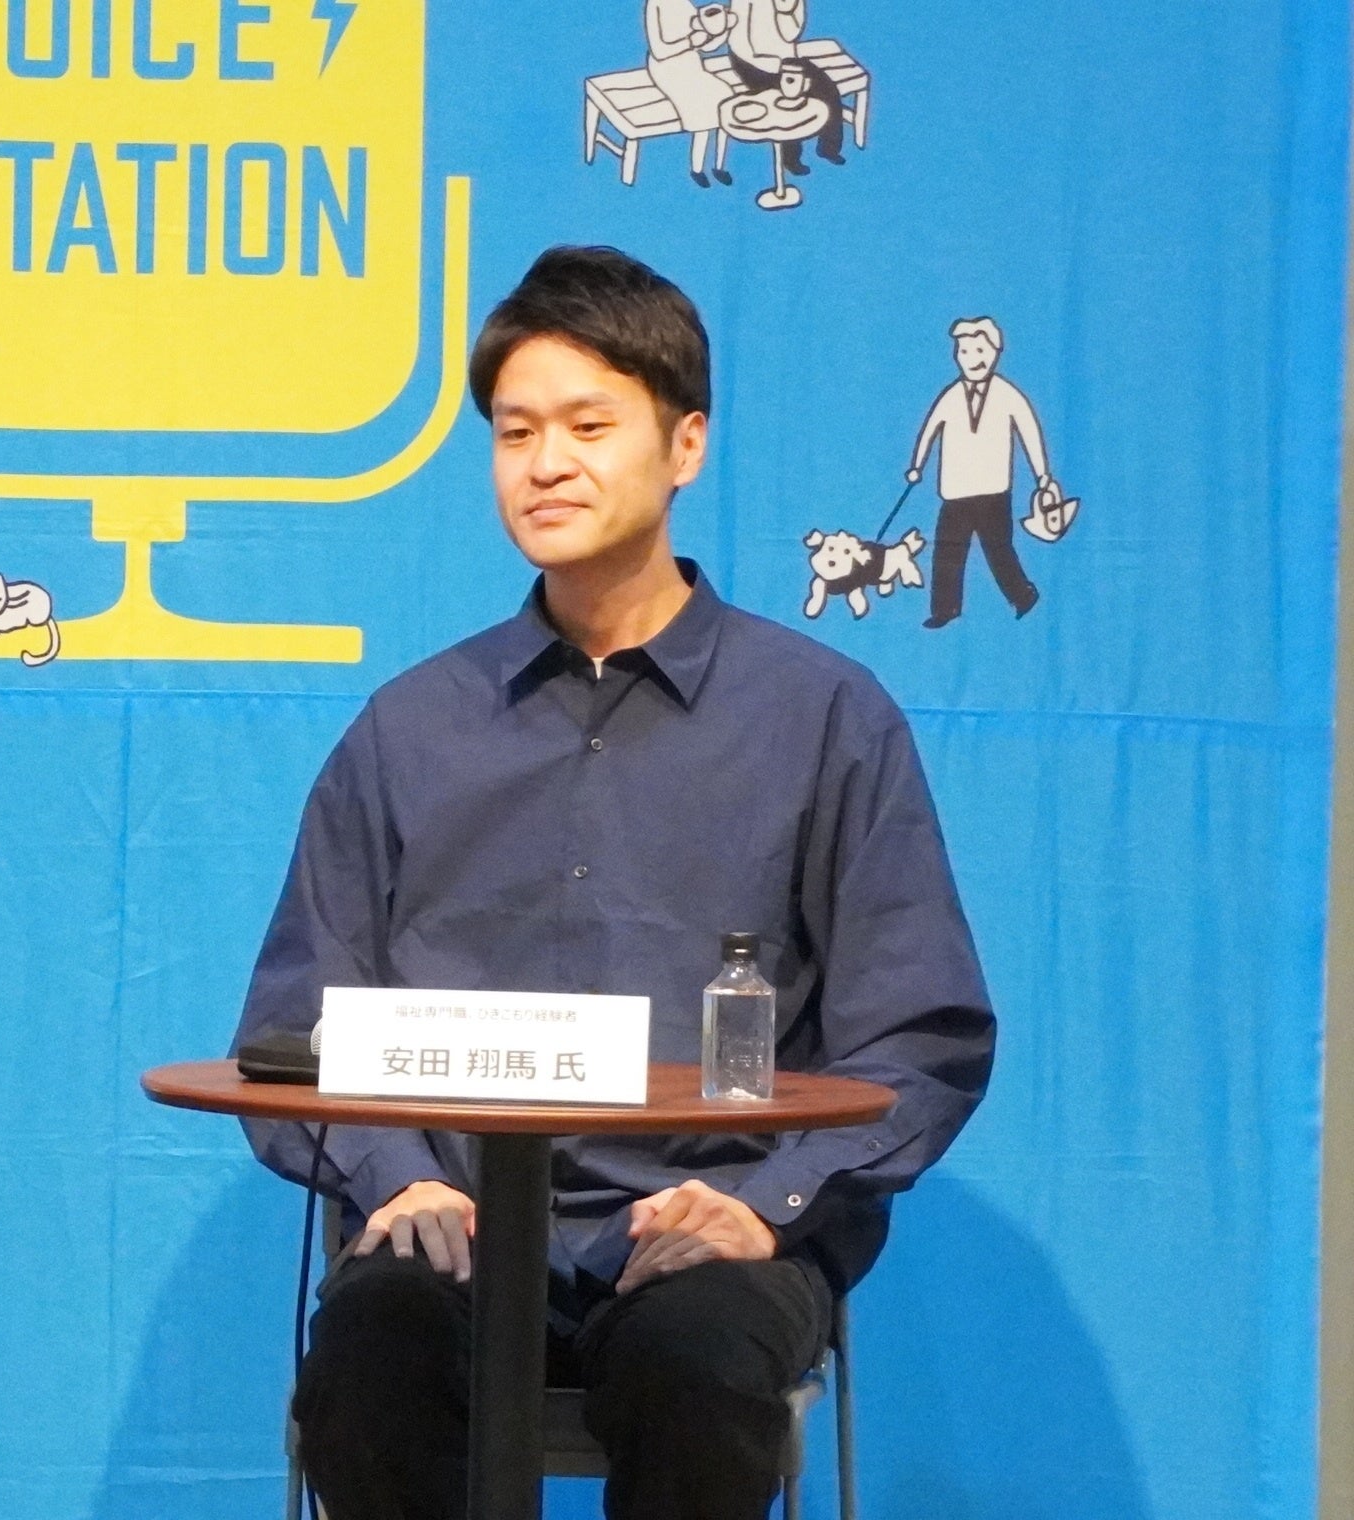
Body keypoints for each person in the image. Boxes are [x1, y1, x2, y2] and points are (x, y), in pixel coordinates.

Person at [234, 247, 994, 1520]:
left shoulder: (821, 718)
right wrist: (394, 1172)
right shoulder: (407, 729)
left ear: (683, 443)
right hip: (453, 1224)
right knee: (369, 1360)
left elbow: (921, 1034)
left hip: (711, 1225)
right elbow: (298, 1024)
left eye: (588, 427)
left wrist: (766, 1204)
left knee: (696, 1363)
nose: (545, 463)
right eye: (514, 431)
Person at [906, 317, 1053, 627]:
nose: (972, 359)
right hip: (955, 491)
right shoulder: (951, 395)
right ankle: (945, 608)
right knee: (947, 550)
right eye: (964, 351)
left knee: (999, 548)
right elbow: (930, 429)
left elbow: (1029, 432)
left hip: (993, 491)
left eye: (980, 350)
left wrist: (1042, 476)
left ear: (995, 352)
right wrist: (917, 466)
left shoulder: (1007, 394)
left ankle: (1022, 595)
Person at [726, 0, 844, 174]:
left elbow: (790, 34)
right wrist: (774, 66)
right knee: (787, 100)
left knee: (828, 90)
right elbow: (739, 43)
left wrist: (787, 10)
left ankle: (829, 148)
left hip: (785, 59)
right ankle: (790, 158)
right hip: (750, 63)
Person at [643, 0, 738, 188]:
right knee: (701, 109)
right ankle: (697, 169)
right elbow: (659, 51)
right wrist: (690, 42)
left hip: (691, 65)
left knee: (726, 97)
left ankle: (719, 165)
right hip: (667, 69)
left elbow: (705, 46)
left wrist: (724, 29)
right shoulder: (655, 5)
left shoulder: (684, 4)